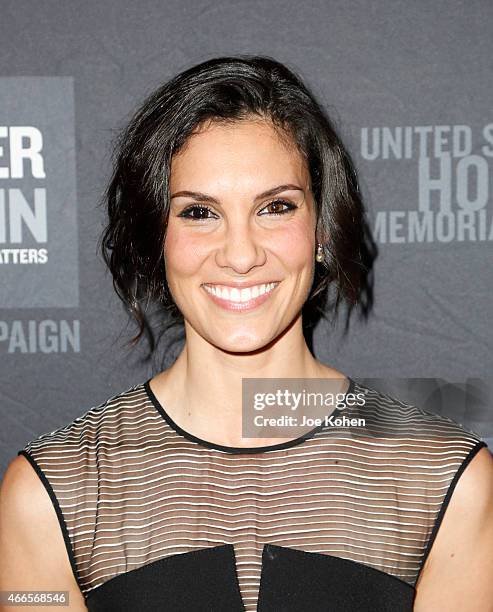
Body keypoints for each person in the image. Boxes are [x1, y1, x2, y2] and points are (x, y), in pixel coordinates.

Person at [1, 55, 492, 612]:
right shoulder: (52, 495)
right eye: (199, 213)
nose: (240, 255)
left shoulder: (442, 477)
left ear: (323, 230)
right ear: (154, 238)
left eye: (275, 207)